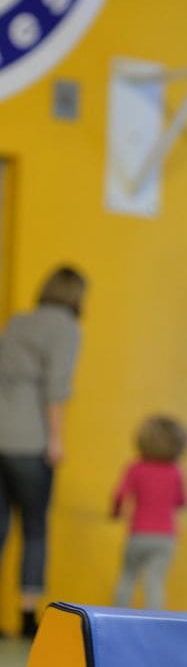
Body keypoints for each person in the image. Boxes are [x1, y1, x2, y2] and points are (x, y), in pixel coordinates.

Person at [0, 265, 87, 637]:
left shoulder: (18, 322)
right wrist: (56, 438)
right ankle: (26, 617)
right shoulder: (66, 327)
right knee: (34, 529)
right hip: (30, 440)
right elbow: (56, 387)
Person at [111, 415, 187, 611]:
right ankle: (155, 620)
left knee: (128, 576)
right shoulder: (175, 472)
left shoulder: (135, 468)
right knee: (155, 581)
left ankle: (117, 616)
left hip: (138, 534)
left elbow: (119, 495)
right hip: (165, 538)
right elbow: (182, 501)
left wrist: (115, 512)